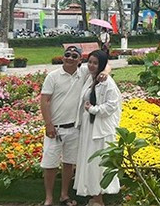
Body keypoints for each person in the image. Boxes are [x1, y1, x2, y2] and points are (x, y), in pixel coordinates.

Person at [40, 46, 111, 206]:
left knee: (69, 163)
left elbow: (104, 64)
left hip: (74, 128)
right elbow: (44, 101)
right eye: (67, 55)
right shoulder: (53, 76)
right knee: (50, 164)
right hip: (55, 128)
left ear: (80, 60)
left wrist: (105, 73)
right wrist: (48, 124)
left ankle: (64, 195)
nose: (70, 58)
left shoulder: (84, 73)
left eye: (74, 56)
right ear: (62, 57)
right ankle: (49, 198)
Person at [74, 50, 121, 206]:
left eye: (96, 63)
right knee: (90, 161)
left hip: (100, 131)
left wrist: (94, 110)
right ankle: (93, 196)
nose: (92, 65)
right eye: (90, 62)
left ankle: (98, 198)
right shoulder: (90, 78)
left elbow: (111, 106)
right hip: (89, 128)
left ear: (101, 64)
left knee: (98, 164)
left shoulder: (107, 83)